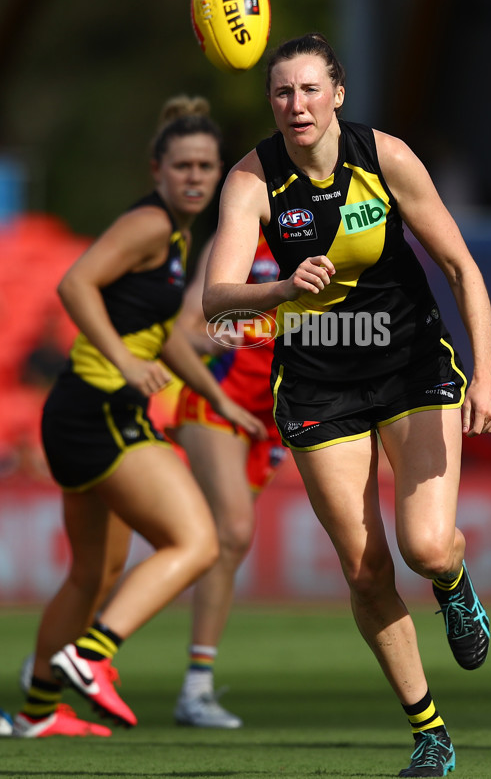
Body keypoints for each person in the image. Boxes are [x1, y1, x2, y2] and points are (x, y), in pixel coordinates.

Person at [202, 33, 491, 777]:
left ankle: (454, 586)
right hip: (316, 384)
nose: (295, 105)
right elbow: (215, 303)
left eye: (309, 90)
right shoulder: (252, 180)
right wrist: (278, 287)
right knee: (366, 571)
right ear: (271, 103)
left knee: (426, 548)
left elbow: (462, 268)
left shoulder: (386, 156)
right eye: (281, 93)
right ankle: (429, 733)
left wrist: (488, 376)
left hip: (410, 366)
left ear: (337, 94)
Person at [12, 95, 266, 739]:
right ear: (157, 170)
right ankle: (92, 656)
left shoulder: (177, 235)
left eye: (206, 167)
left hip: (80, 412)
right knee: (198, 541)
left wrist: (218, 400)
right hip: (100, 410)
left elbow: (164, 331)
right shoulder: (153, 225)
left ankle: (37, 712)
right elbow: (74, 284)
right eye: (182, 166)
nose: (196, 178)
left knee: (93, 574)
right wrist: (125, 363)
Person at [168, 228, 286, 728]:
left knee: (207, 544)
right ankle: (195, 688)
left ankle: (72, 648)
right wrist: (224, 338)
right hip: (219, 401)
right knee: (232, 531)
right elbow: (183, 327)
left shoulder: (336, 230)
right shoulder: (240, 237)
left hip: (282, 414)